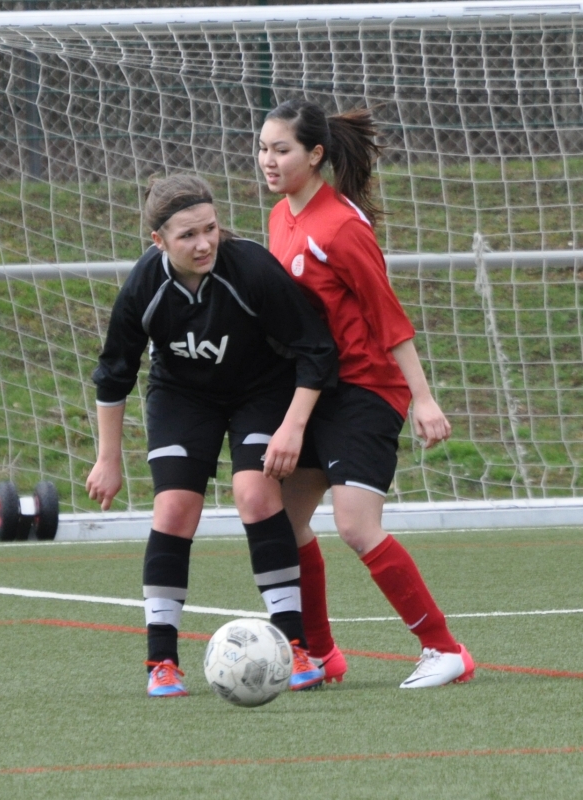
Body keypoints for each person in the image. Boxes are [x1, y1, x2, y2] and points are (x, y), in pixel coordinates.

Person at [86, 173, 338, 696]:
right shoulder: (144, 286)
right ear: (159, 241)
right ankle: (161, 661)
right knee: (174, 508)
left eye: (210, 229)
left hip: (261, 392)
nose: (204, 244)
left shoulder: (251, 268)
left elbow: (316, 350)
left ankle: (295, 647)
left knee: (255, 494)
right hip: (183, 398)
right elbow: (114, 374)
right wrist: (108, 459)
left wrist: (292, 428)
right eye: (187, 235)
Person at [258, 99, 475, 689]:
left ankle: (444, 650)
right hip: (314, 390)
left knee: (355, 525)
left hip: (364, 389)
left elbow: (388, 316)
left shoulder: (342, 227)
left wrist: (423, 399)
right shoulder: (280, 216)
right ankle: (321, 654)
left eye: (282, 150)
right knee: (284, 521)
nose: (268, 160)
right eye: (263, 148)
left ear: (315, 155)